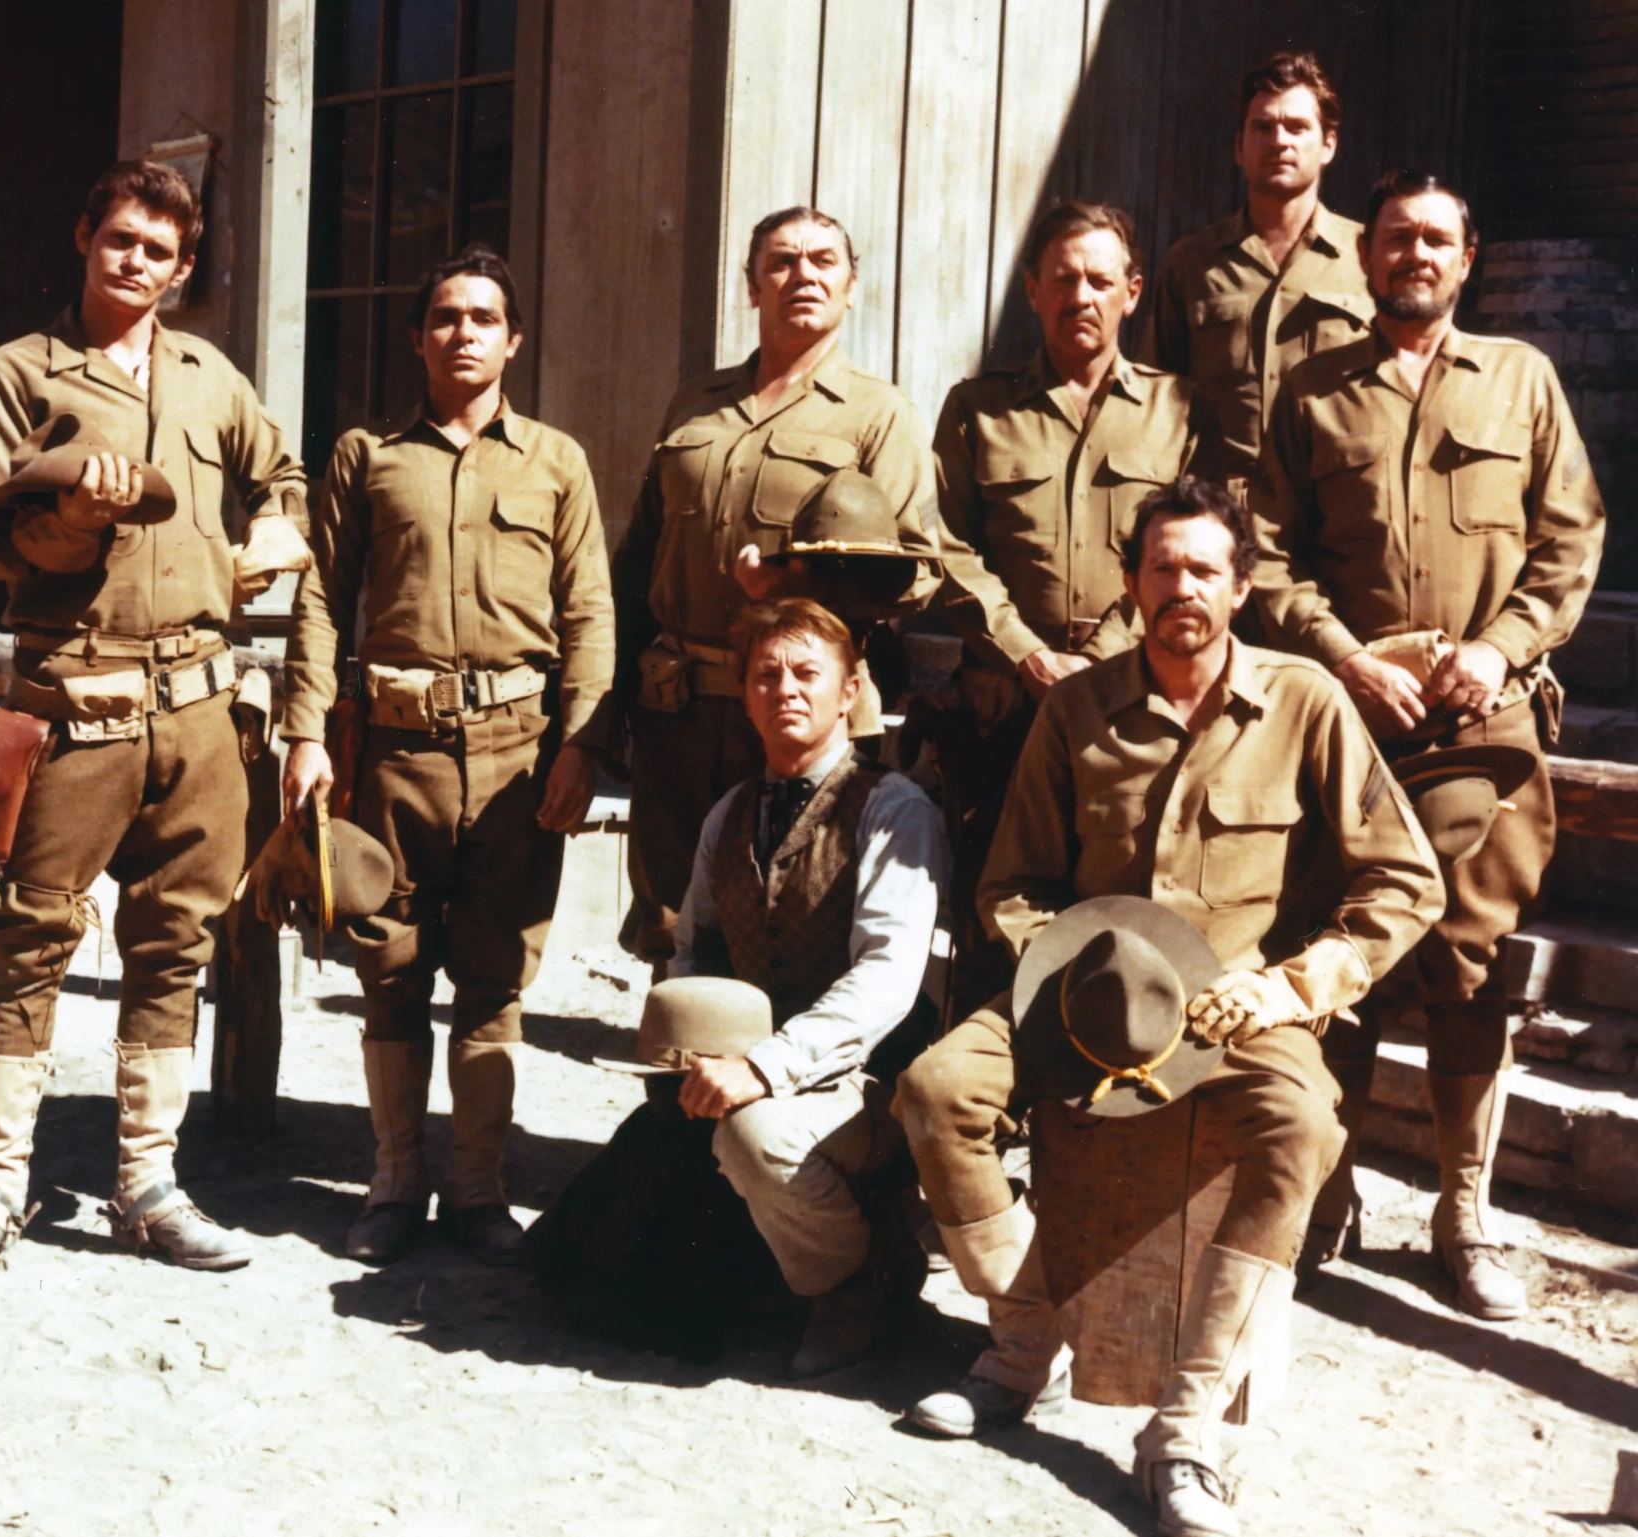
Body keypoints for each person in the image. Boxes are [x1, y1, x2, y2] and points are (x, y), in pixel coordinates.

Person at [892, 480, 1442, 1537]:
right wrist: (1074, 973)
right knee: (937, 1089)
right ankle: (1023, 1344)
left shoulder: (1307, 702)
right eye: (1161, 568)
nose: (1181, 587)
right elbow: (1010, 884)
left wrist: (1293, 983)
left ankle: (1188, 1425)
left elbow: (1404, 883)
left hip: (1240, 1010)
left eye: (1203, 569)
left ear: (1240, 587)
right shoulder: (1076, 709)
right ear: (1133, 583)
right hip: (1086, 998)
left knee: (1302, 1128)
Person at [0, 159, 312, 1285]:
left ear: (182, 270)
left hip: (197, 707)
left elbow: (280, 472)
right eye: (120, 240)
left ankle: (148, 1184)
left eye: (160, 249)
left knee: (174, 944)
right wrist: (74, 522)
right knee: (34, 936)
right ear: (84, 238)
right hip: (76, 697)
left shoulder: (208, 375)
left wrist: (277, 531)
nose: (136, 261)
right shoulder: (19, 372)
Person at [1249, 169, 1605, 1316]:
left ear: (1468, 259)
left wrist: (1502, 648)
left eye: (1435, 240)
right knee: (1336, 949)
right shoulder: (1312, 394)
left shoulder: (1522, 381)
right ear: (1366, 259)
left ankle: (1464, 1210)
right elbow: (1267, 559)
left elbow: (1569, 539)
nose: (1413, 254)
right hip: (1348, 727)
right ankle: (1326, 1187)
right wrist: (1343, 655)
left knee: (1466, 964)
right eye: (1395, 237)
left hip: (1482, 728)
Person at [282, 244, 615, 1267]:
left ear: (513, 340)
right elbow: (322, 601)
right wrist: (305, 730)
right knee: (389, 969)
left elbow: (591, 610)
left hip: (520, 760)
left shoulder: (556, 461)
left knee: (493, 977)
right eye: (444, 317)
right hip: (395, 754)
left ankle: (478, 1188)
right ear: (419, 336)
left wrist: (583, 745)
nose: (463, 333)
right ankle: (394, 1179)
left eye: (483, 318)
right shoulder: (367, 454)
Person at [608, 207, 945, 971]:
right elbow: (638, 563)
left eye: (824, 261)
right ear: (751, 286)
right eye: (783, 261)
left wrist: (800, 584)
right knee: (676, 924)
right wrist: (605, 711)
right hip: (681, 714)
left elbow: (919, 569)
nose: (804, 276)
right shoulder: (694, 403)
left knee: (798, 914)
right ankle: (679, 1080)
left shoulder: (877, 414)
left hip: (803, 714)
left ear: (851, 287)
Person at [929, 200, 1223, 1005]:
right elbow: (945, 546)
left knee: (1120, 897)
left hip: (1134, 702)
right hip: (1006, 707)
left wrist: (1096, 663)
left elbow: (1194, 549)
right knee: (996, 910)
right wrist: (1027, 651)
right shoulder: (978, 410)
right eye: (1063, 279)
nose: (1080, 296)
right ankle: (989, 1094)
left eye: (1100, 280)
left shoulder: (1182, 411)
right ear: (1032, 289)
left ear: (1132, 291)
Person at [668, 598, 949, 1378]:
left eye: (805, 673)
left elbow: (889, 977)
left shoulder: (894, 809)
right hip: (750, 1070)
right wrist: (692, 1049)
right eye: (765, 674)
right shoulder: (727, 815)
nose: (784, 689)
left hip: (863, 1081)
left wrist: (764, 1068)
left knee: (754, 1137)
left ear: (850, 690)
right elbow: (693, 951)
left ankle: (861, 1277)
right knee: (600, 1248)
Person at [1145, 52, 1373, 482]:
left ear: (1329, 144)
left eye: (1297, 127)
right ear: (1239, 146)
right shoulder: (1192, 263)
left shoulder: (1368, 258)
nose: (1279, 140)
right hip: (1222, 514)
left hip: (1337, 512)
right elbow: (1156, 399)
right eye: (1263, 127)